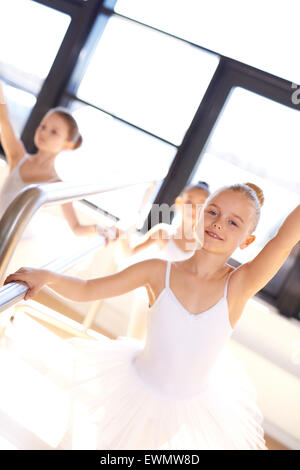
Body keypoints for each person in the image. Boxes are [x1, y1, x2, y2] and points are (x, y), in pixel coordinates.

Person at [5, 182, 300, 450]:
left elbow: (285, 238)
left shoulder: (239, 286)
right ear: (197, 217)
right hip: (135, 385)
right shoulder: (159, 270)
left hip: (188, 404)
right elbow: (88, 288)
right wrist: (47, 276)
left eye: (233, 222)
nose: (219, 224)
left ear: (247, 241)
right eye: (212, 212)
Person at [0, 80, 117, 243]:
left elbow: (76, 227)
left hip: (14, 245)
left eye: (54, 132)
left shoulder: (58, 185)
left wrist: (99, 229)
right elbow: (3, 119)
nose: (43, 132)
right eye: (42, 126)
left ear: (67, 144)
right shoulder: (17, 156)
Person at [119, 181, 210, 339]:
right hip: (150, 299)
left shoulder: (203, 246)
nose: (194, 209)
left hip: (179, 309)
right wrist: (121, 230)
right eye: (189, 202)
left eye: (201, 205)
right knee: (134, 338)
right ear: (179, 203)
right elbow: (130, 252)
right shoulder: (162, 232)